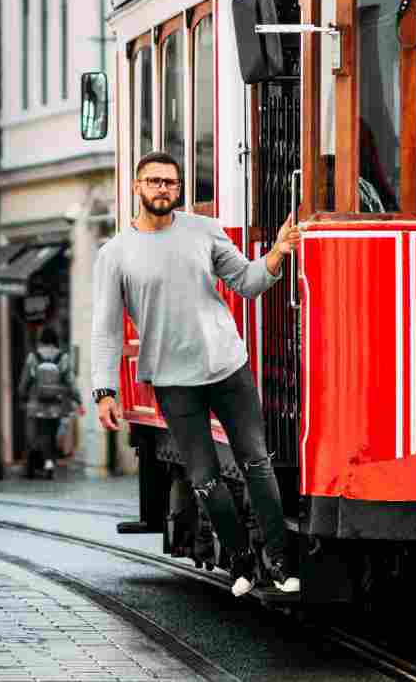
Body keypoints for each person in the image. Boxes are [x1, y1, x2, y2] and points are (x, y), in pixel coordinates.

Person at [92, 150, 303, 598]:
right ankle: (242, 562)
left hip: (228, 366)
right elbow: (106, 329)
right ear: (137, 187)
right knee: (205, 478)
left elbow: (247, 282)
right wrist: (104, 390)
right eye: (153, 181)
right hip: (172, 380)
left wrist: (277, 253)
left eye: (170, 182)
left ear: (179, 188)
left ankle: (282, 564)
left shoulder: (203, 231)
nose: (162, 189)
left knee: (257, 463)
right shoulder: (115, 254)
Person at [18, 326, 81, 479]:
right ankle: (49, 464)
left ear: (41, 341)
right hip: (56, 404)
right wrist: (77, 398)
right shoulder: (63, 357)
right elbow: (70, 381)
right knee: (51, 434)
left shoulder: (33, 357)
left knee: (40, 434)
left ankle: (44, 464)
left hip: (37, 403)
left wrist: (22, 396)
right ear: (55, 341)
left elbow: (25, 381)